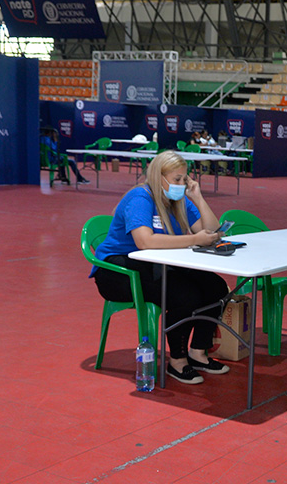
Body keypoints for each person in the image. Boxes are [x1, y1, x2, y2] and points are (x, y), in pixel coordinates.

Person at [91, 151, 230, 385]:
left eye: (184, 179)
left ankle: (198, 352)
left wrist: (198, 197)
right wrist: (194, 240)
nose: (181, 184)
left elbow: (214, 230)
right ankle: (177, 361)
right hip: (117, 270)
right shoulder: (140, 198)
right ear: (159, 177)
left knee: (215, 287)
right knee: (186, 295)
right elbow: (144, 241)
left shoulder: (179, 199)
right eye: (177, 179)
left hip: (153, 262)